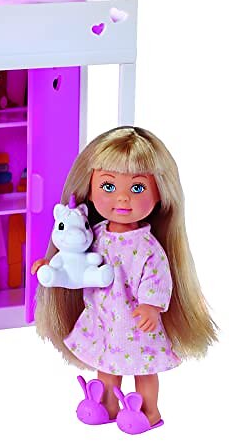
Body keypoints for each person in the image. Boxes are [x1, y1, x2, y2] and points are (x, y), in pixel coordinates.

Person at [33, 126, 217, 434]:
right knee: (105, 365)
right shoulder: (94, 234)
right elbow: (76, 261)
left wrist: (151, 306)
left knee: (144, 370)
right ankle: (107, 404)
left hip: (136, 325)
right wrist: (50, 266)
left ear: (160, 193)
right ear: (89, 188)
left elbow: (157, 278)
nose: (122, 197)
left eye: (137, 188)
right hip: (103, 318)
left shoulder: (148, 247)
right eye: (108, 186)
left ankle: (148, 411)